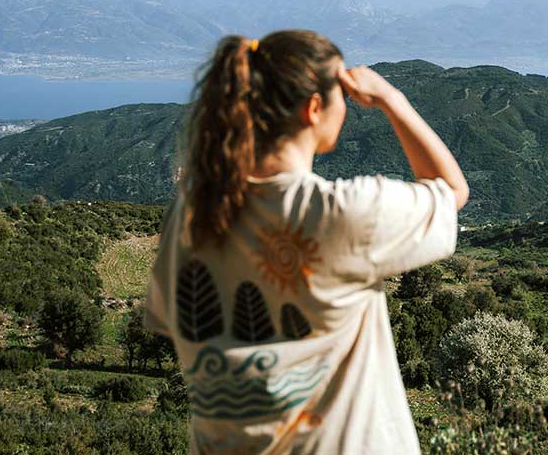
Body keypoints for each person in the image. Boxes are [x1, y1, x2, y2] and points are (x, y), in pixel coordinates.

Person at [143, 29, 469, 454]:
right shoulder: (341, 214)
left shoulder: (192, 212)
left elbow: (175, 323)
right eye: (343, 96)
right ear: (314, 108)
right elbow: (451, 191)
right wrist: (391, 100)